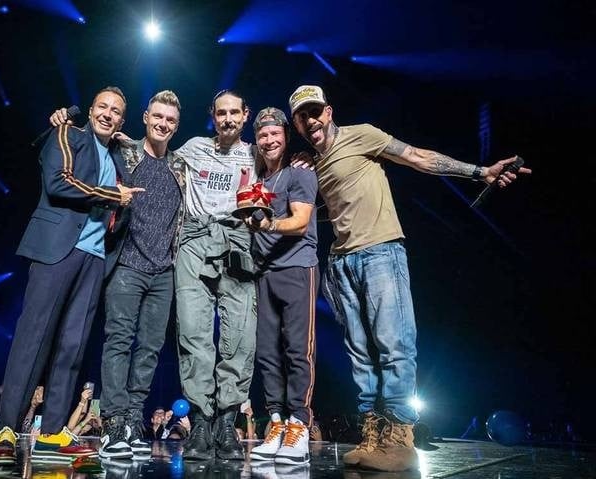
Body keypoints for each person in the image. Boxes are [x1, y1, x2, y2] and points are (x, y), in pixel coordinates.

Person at [287, 85, 531, 472]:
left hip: (381, 252)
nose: (310, 120)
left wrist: (479, 172)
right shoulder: (312, 165)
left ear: (329, 112)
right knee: (359, 353)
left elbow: (417, 157)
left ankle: (400, 437)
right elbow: (321, 211)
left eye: (315, 111)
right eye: (302, 116)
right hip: (341, 263)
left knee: (394, 344)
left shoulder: (362, 135)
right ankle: (373, 435)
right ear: (297, 125)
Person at [0, 86, 143, 468]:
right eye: (103, 107)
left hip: (92, 258)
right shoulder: (67, 133)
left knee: (73, 347)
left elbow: (122, 198)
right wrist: (112, 196)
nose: (108, 114)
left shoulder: (117, 158)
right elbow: (59, 181)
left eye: (116, 111)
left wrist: (120, 210)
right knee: (33, 337)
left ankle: (53, 434)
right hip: (57, 249)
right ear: (90, 110)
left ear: (122, 120)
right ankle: (6, 430)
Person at [49, 90, 185, 459]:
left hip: (164, 272)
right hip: (125, 264)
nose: (163, 124)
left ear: (176, 125)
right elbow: (91, 137)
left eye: (170, 120)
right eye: (157, 116)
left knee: (151, 350)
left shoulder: (181, 166)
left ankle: (131, 420)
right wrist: (64, 120)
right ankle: (112, 424)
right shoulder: (123, 152)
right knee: (119, 343)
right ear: (145, 117)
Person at [173, 90, 258, 461]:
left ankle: (227, 422)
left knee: (240, 334)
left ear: (245, 115)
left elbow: (286, 167)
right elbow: (151, 152)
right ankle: (200, 422)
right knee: (193, 332)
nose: (227, 119)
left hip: (237, 240)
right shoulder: (192, 147)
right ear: (212, 115)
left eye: (234, 113)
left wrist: (303, 159)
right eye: (220, 113)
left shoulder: (256, 153)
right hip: (194, 239)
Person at [242, 108, 318, 466]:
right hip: (264, 273)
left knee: (296, 350)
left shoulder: (299, 172)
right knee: (267, 353)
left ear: (286, 136)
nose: (269, 140)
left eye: (275, 134)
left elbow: (302, 222)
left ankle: (299, 425)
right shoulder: (259, 177)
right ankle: (275, 423)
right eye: (263, 136)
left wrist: (268, 224)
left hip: (298, 268)